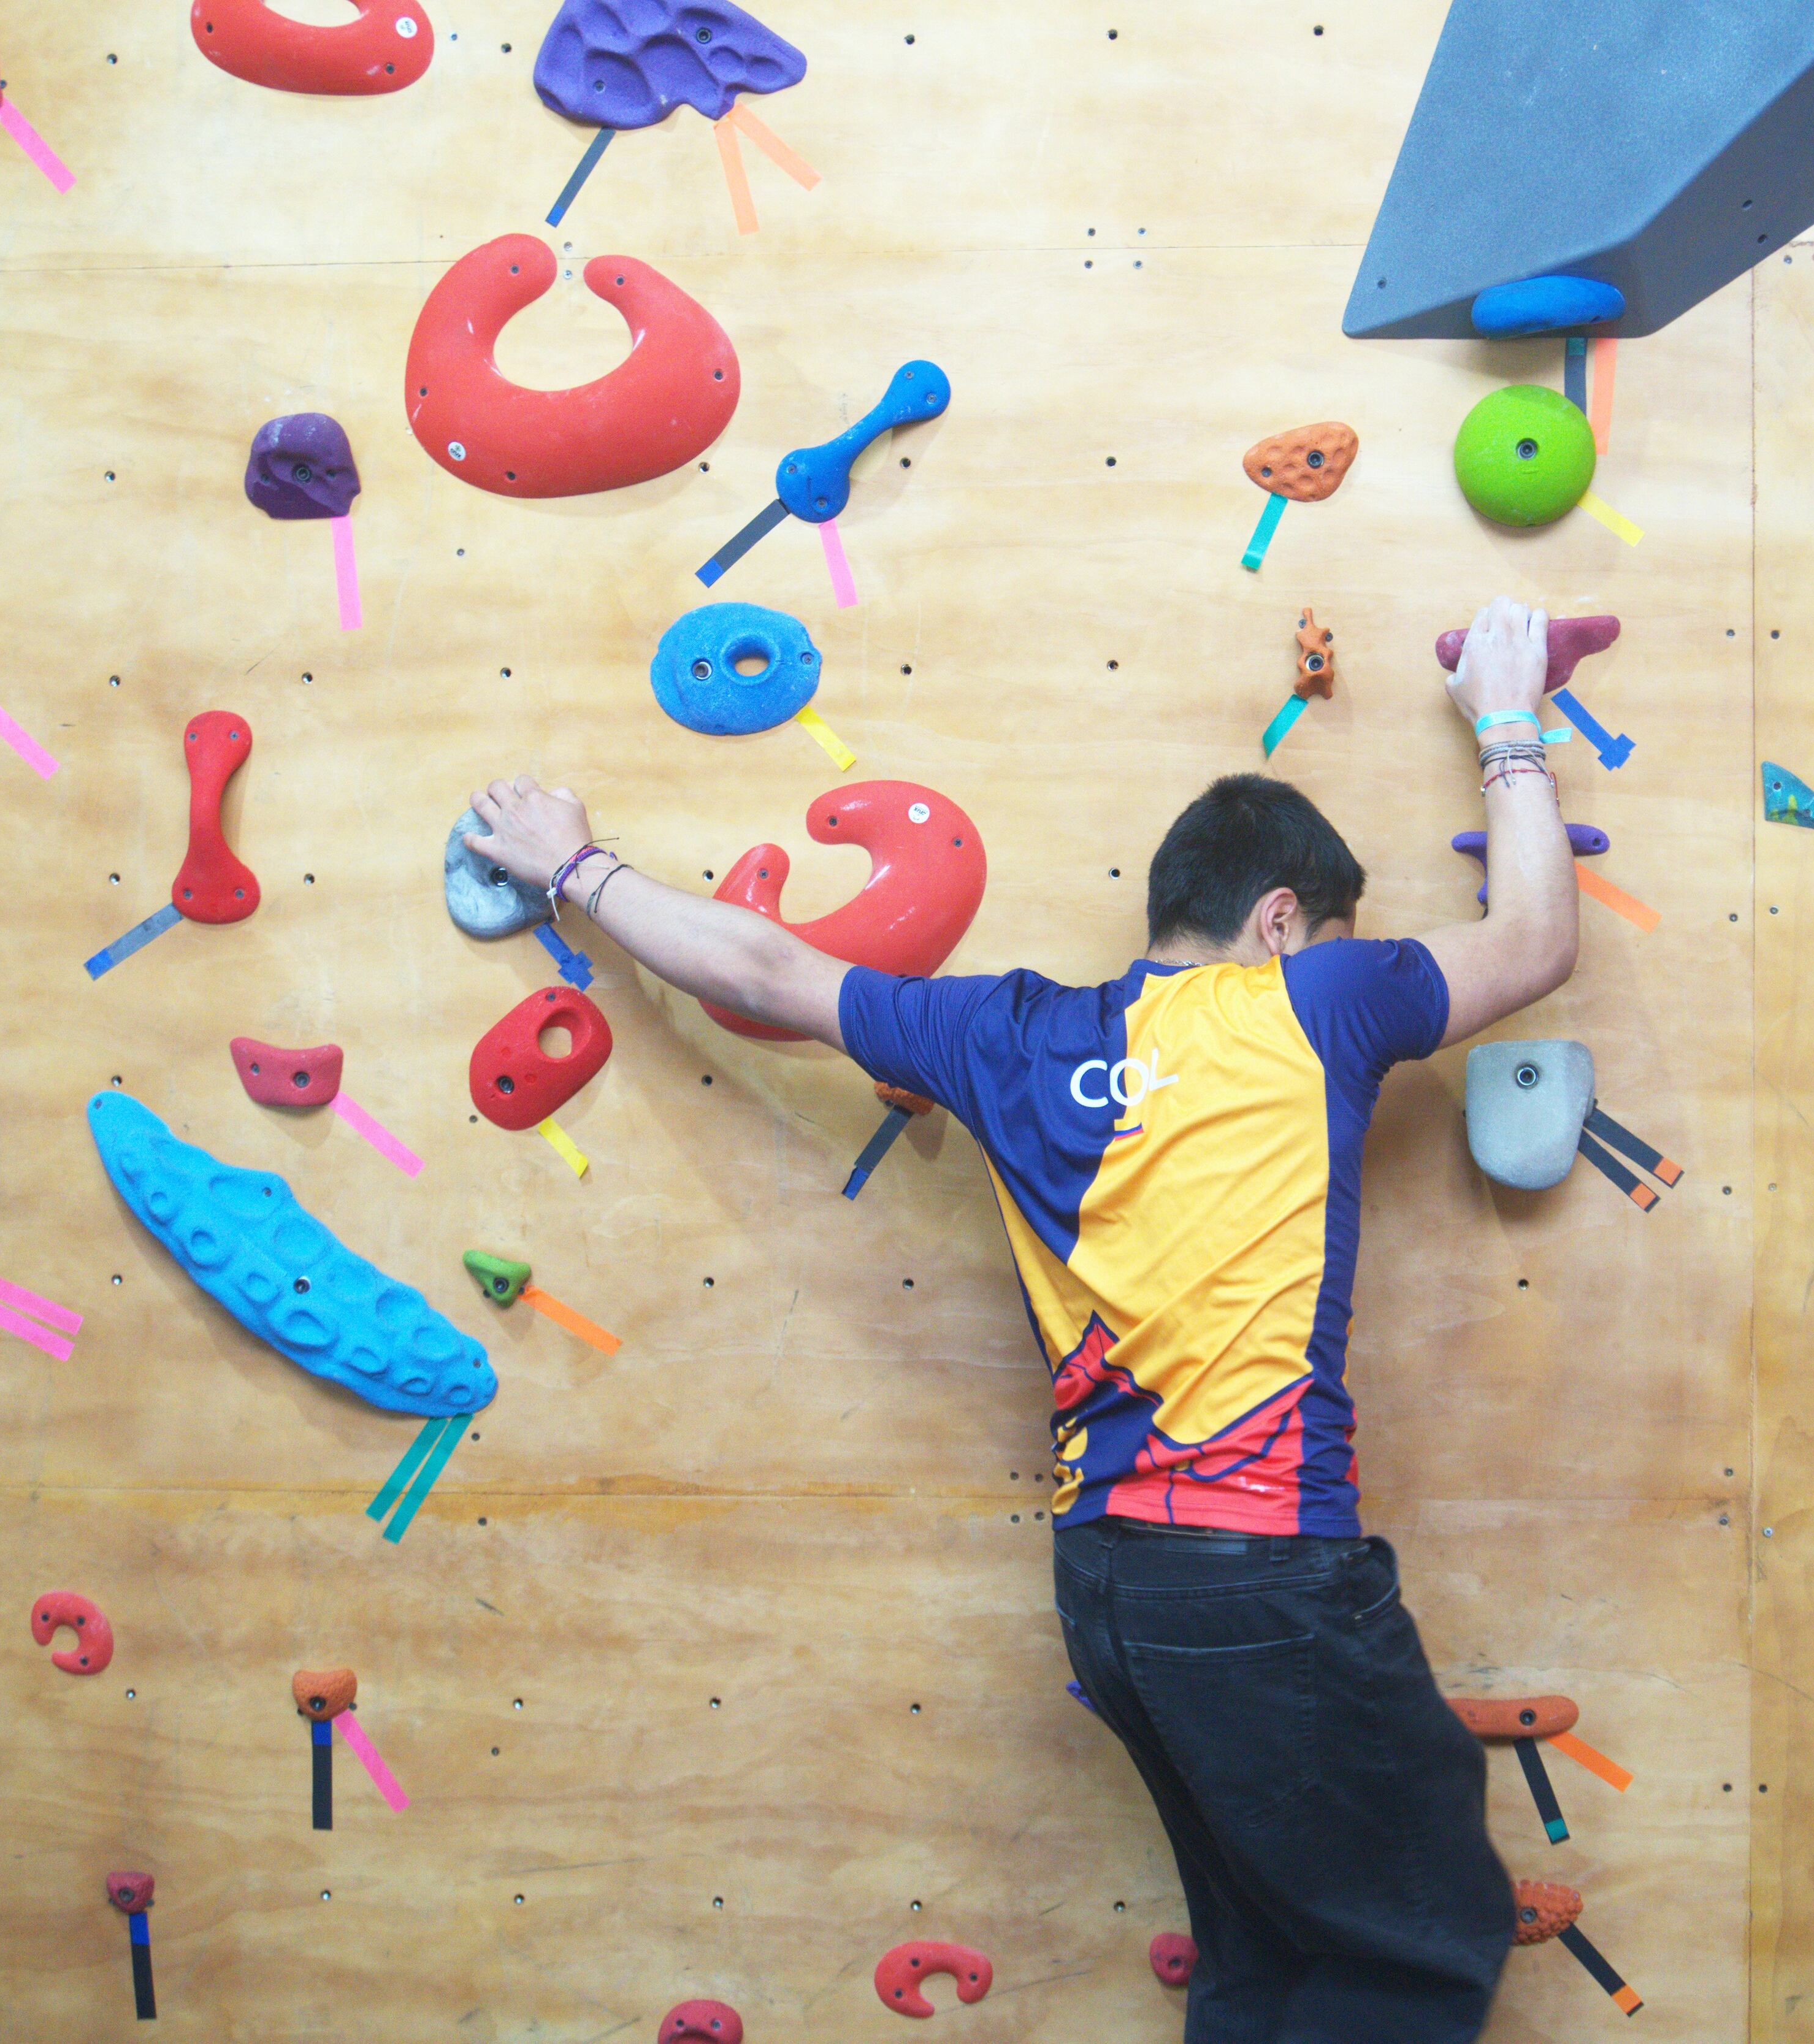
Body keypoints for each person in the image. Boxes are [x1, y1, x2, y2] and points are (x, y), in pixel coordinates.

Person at [464, 595, 1580, 2042]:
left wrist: (576, 865)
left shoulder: (1006, 1030)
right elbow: (1537, 938)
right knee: (1417, 1944)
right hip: (1256, 1574)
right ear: (1283, 920)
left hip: (1111, 1590)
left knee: (1266, 1959)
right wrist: (1508, 718)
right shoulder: (1320, 998)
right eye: (1323, 936)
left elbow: (762, 970)